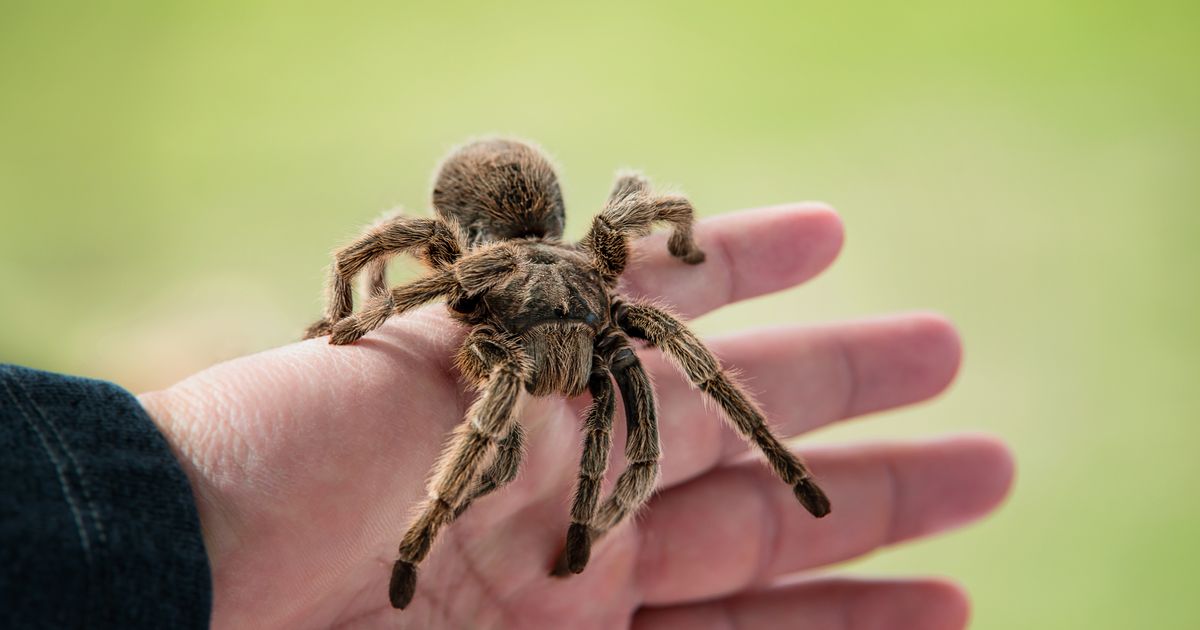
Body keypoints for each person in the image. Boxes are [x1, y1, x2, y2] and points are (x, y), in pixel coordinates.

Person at [0, 203, 1013, 629]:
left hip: (565, 297)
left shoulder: (609, 294)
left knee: (644, 414)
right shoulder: (472, 279)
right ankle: (424, 533)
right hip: (505, 305)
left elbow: (643, 243)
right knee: (499, 409)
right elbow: (384, 261)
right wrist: (353, 322)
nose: (577, 372)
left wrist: (776, 464)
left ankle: (607, 518)